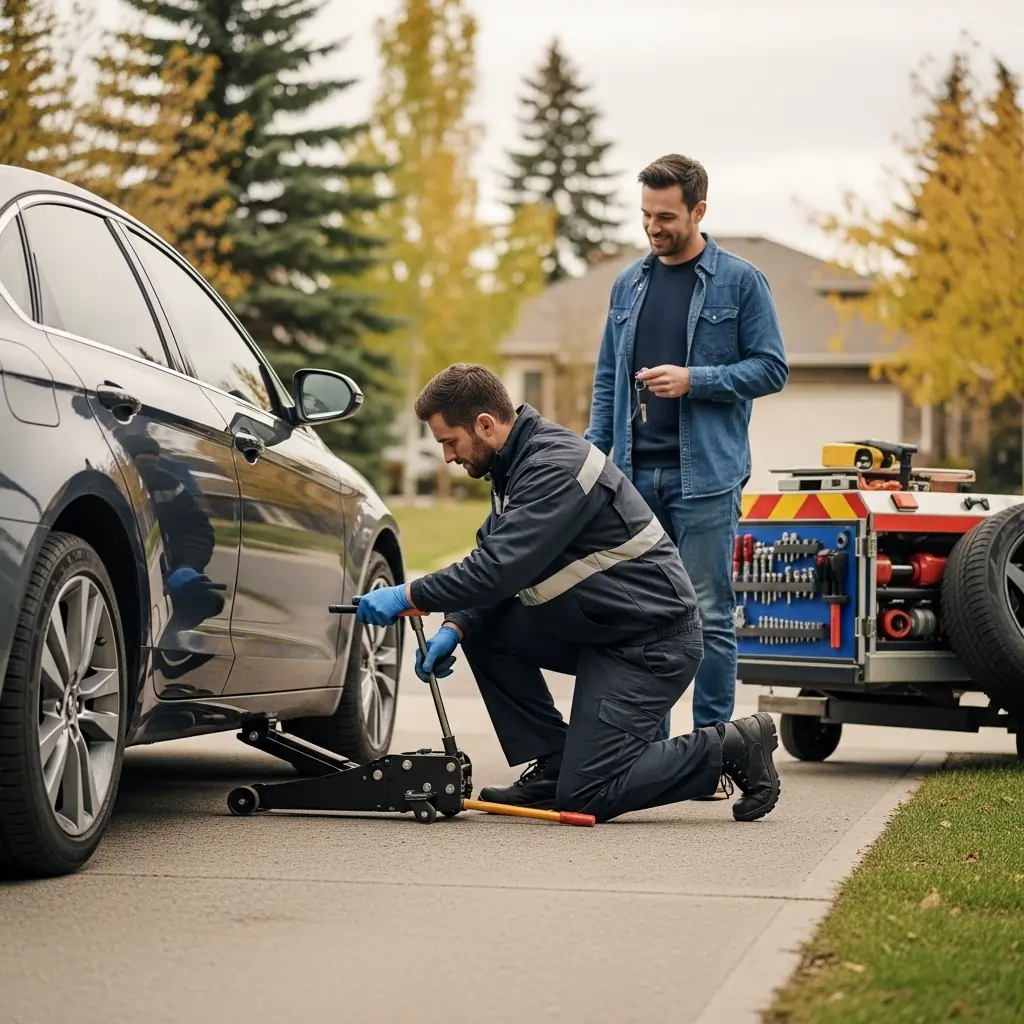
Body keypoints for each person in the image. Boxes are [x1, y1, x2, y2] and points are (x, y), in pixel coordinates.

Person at [353, 364, 781, 825]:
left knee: (587, 794)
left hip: (652, 645)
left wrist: (407, 594)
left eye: (449, 441)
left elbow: (497, 569)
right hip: (605, 630)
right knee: (483, 628)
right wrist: (456, 625)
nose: (447, 456)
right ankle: (553, 764)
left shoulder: (555, 467)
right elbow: (494, 553)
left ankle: (730, 746)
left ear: (484, 424)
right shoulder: (515, 464)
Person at [585, 153, 789, 752]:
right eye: (646, 215)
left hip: (706, 480)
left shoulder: (741, 281)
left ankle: (711, 751)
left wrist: (694, 379)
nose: (653, 227)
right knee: (646, 618)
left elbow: (771, 368)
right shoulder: (628, 284)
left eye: (667, 216)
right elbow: (606, 381)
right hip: (633, 482)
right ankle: (649, 755)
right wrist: (595, 464)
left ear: (699, 210)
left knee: (708, 615)